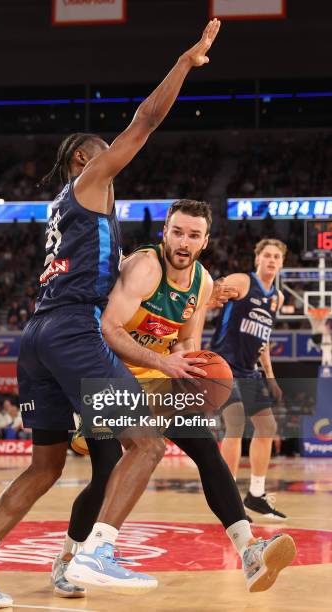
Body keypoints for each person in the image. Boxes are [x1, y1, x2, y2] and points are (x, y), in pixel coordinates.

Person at [0, 18, 222, 605]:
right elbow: (145, 122)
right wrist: (184, 63)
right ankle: (97, 551)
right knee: (145, 443)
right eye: (102, 154)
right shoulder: (90, 182)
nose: (114, 162)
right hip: (72, 329)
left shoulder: (66, 211)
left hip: (37, 336)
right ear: (81, 162)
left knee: (45, 465)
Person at [62, 203, 296, 595]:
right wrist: (162, 361)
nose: (183, 242)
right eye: (177, 232)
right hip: (105, 373)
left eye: (192, 235)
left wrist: (194, 374)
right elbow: (109, 329)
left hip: (156, 377)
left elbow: (187, 341)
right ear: (165, 233)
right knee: (106, 473)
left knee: (205, 448)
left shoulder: (202, 283)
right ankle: (70, 558)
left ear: (205, 241)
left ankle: (249, 551)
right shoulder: (145, 267)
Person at [210, 239, 288, 520]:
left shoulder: (277, 298)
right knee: (235, 423)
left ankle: (256, 494)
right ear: (257, 258)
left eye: (277, 257)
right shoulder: (242, 281)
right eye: (267, 255)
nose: (271, 260)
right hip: (224, 365)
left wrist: (271, 376)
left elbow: (263, 340)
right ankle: (229, 498)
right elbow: (207, 295)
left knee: (267, 425)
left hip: (250, 370)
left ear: (281, 262)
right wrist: (215, 291)